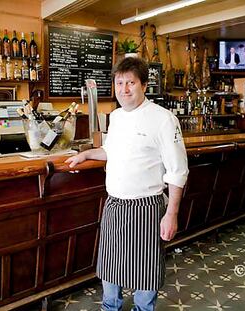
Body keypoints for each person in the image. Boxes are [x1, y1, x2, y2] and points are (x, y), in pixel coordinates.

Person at [65, 57, 189, 310]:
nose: (124, 89)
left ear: (143, 85)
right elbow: (111, 150)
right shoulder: (116, 116)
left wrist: (171, 214)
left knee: (147, 271)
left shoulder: (163, 119)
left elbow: (178, 171)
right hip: (115, 206)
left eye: (130, 82)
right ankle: (111, 307)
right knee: (111, 268)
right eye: (119, 82)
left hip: (147, 207)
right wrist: (87, 154)